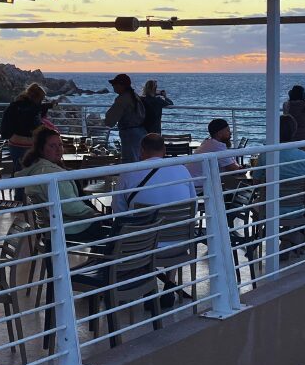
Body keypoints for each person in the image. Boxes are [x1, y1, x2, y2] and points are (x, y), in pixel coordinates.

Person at [112, 133, 197, 308]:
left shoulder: (128, 173)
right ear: (164, 150)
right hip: (179, 244)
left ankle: (148, 288)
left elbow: (120, 214)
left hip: (144, 248)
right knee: (170, 228)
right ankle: (169, 283)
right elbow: (193, 207)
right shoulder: (181, 169)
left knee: (134, 232)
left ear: (141, 150)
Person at [16, 127, 107, 242]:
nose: (58, 150)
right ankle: (102, 259)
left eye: (60, 145)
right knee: (112, 232)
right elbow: (70, 206)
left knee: (107, 229)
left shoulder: (36, 168)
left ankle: (99, 258)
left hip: (51, 226)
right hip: (67, 228)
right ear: (41, 149)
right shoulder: (52, 174)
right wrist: (93, 213)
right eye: (52, 146)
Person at [254, 114, 305, 258]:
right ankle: (290, 238)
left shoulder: (266, 155)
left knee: (256, 203)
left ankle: (282, 239)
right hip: (297, 208)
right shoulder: (304, 156)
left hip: (270, 208)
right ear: (294, 131)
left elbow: (256, 181)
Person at [0, 83, 57, 199]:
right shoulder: (31, 108)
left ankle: (21, 199)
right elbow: (32, 119)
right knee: (35, 171)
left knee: (20, 171)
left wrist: (47, 106)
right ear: (36, 97)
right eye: (41, 99)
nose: (41, 101)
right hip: (27, 144)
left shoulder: (15, 105)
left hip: (14, 143)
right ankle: (32, 199)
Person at [187, 118, 243, 189]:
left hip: (192, 181)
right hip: (198, 185)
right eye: (227, 131)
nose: (230, 133)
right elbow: (233, 168)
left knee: (229, 181)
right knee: (236, 183)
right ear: (219, 134)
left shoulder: (208, 143)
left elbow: (231, 162)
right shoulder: (217, 147)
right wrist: (242, 168)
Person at [104, 74, 146, 163]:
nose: (113, 86)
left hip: (129, 134)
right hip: (140, 132)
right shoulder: (134, 96)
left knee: (129, 161)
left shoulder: (122, 99)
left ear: (121, 85)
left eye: (114, 84)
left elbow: (109, 121)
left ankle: (131, 177)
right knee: (138, 159)